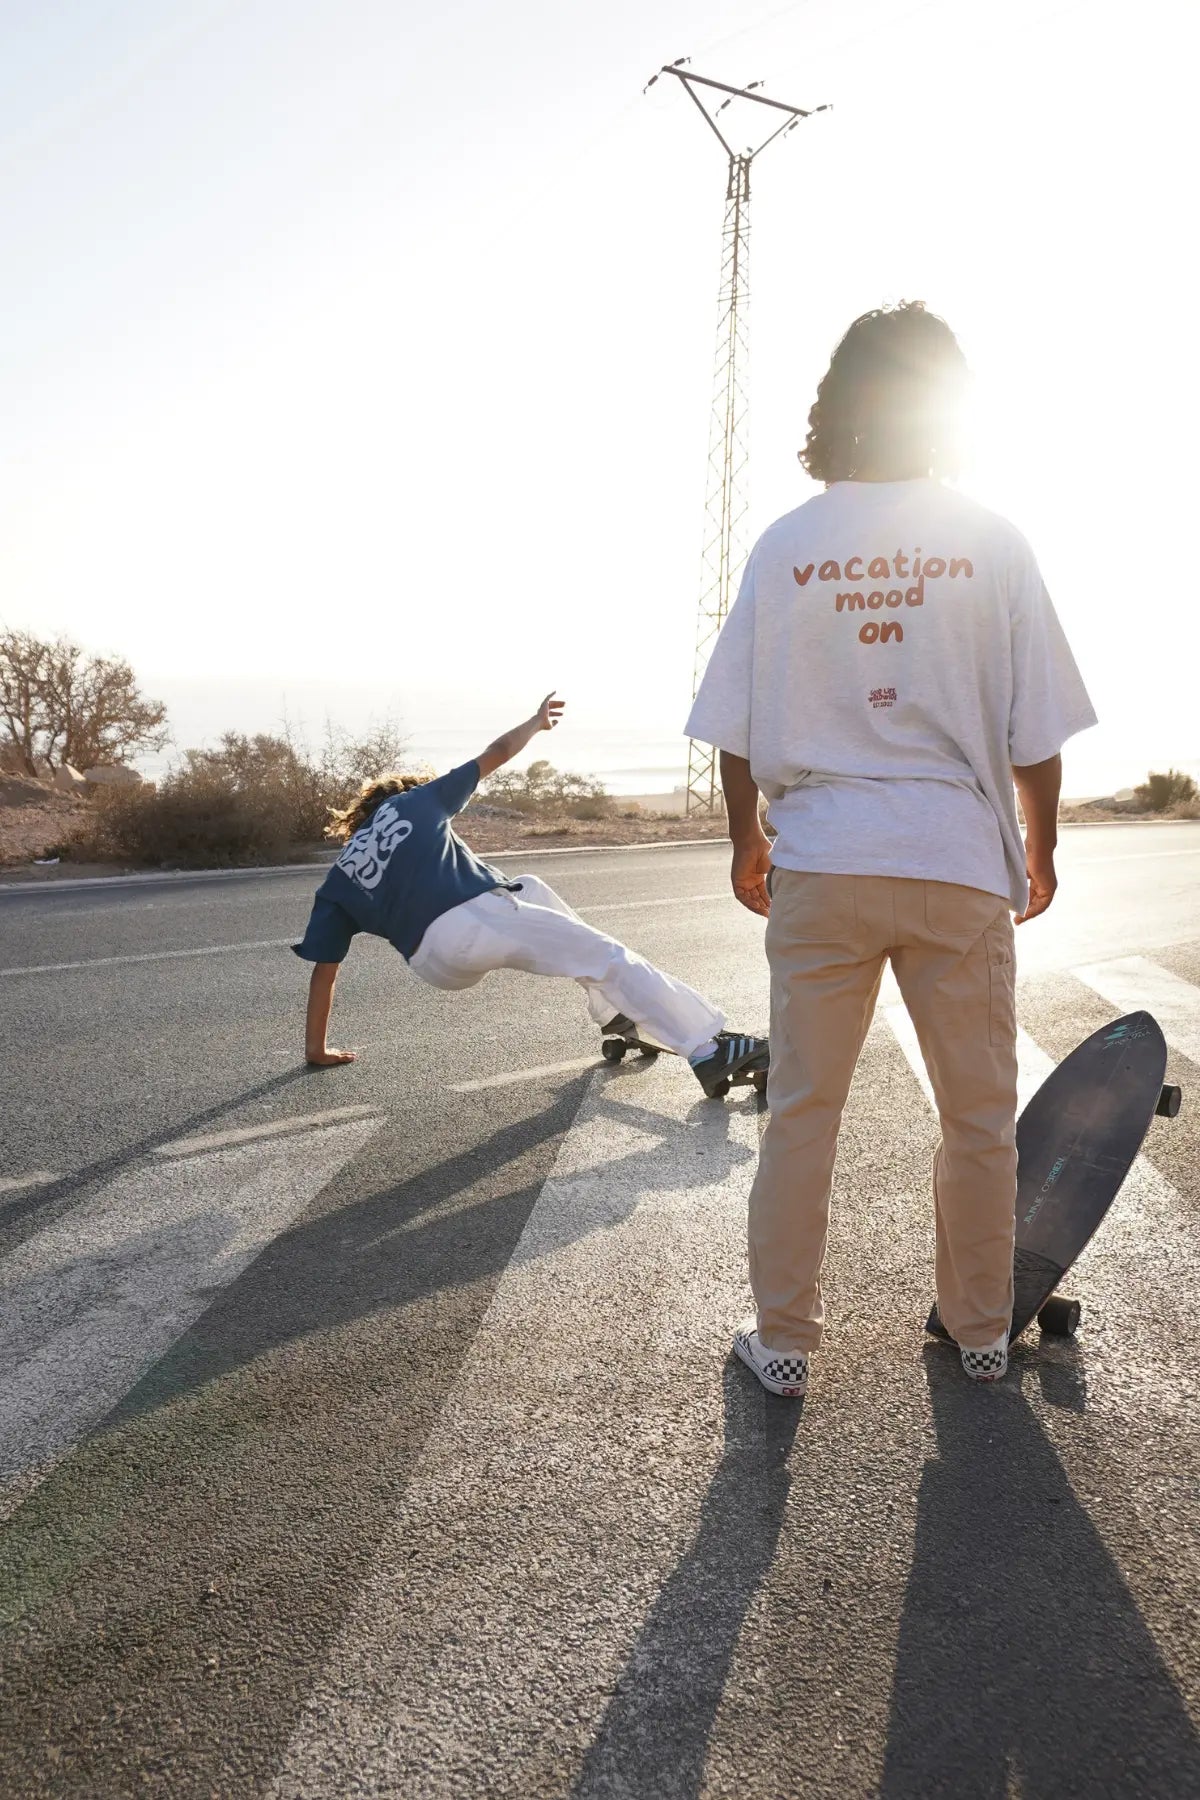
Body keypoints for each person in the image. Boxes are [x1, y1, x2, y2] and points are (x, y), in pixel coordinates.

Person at [685, 301, 1097, 1393]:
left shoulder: (789, 544)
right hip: (955, 859)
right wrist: (1041, 847)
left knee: (802, 1114)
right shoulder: (992, 541)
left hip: (824, 859)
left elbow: (735, 724)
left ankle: (783, 1345)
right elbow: (1036, 733)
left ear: (842, 402)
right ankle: (979, 1332)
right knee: (978, 1118)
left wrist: (746, 839)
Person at [294, 693, 768, 1097]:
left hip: (432, 965)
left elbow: (324, 971)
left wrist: (317, 1050)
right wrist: (537, 723)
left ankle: (613, 1011)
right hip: (473, 922)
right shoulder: (413, 802)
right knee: (608, 955)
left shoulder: (340, 877)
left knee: (530, 887)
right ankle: (708, 1049)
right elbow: (498, 751)